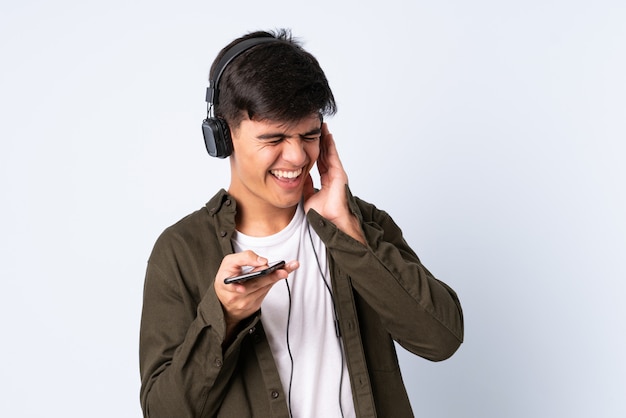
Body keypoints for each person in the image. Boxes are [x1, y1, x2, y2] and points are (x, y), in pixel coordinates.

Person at [139, 28, 464, 418]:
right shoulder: (180, 252)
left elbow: (441, 340)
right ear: (222, 136)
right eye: (273, 138)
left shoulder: (361, 224)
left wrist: (349, 235)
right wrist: (223, 317)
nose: (296, 156)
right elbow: (163, 412)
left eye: (309, 134)